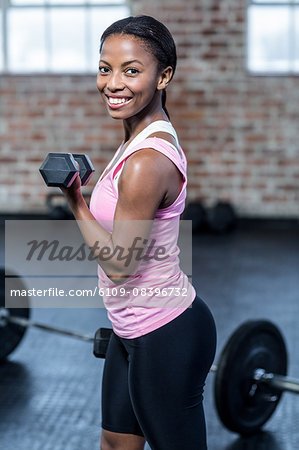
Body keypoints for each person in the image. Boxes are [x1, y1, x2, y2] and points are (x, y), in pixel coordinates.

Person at [61, 15, 217, 450]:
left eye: (132, 71)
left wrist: (75, 199)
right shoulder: (136, 138)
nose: (114, 83)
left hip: (165, 331)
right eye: (105, 68)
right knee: (115, 443)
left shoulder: (147, 160)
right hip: (130, 328)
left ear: (163, 75)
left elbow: (118, 265)